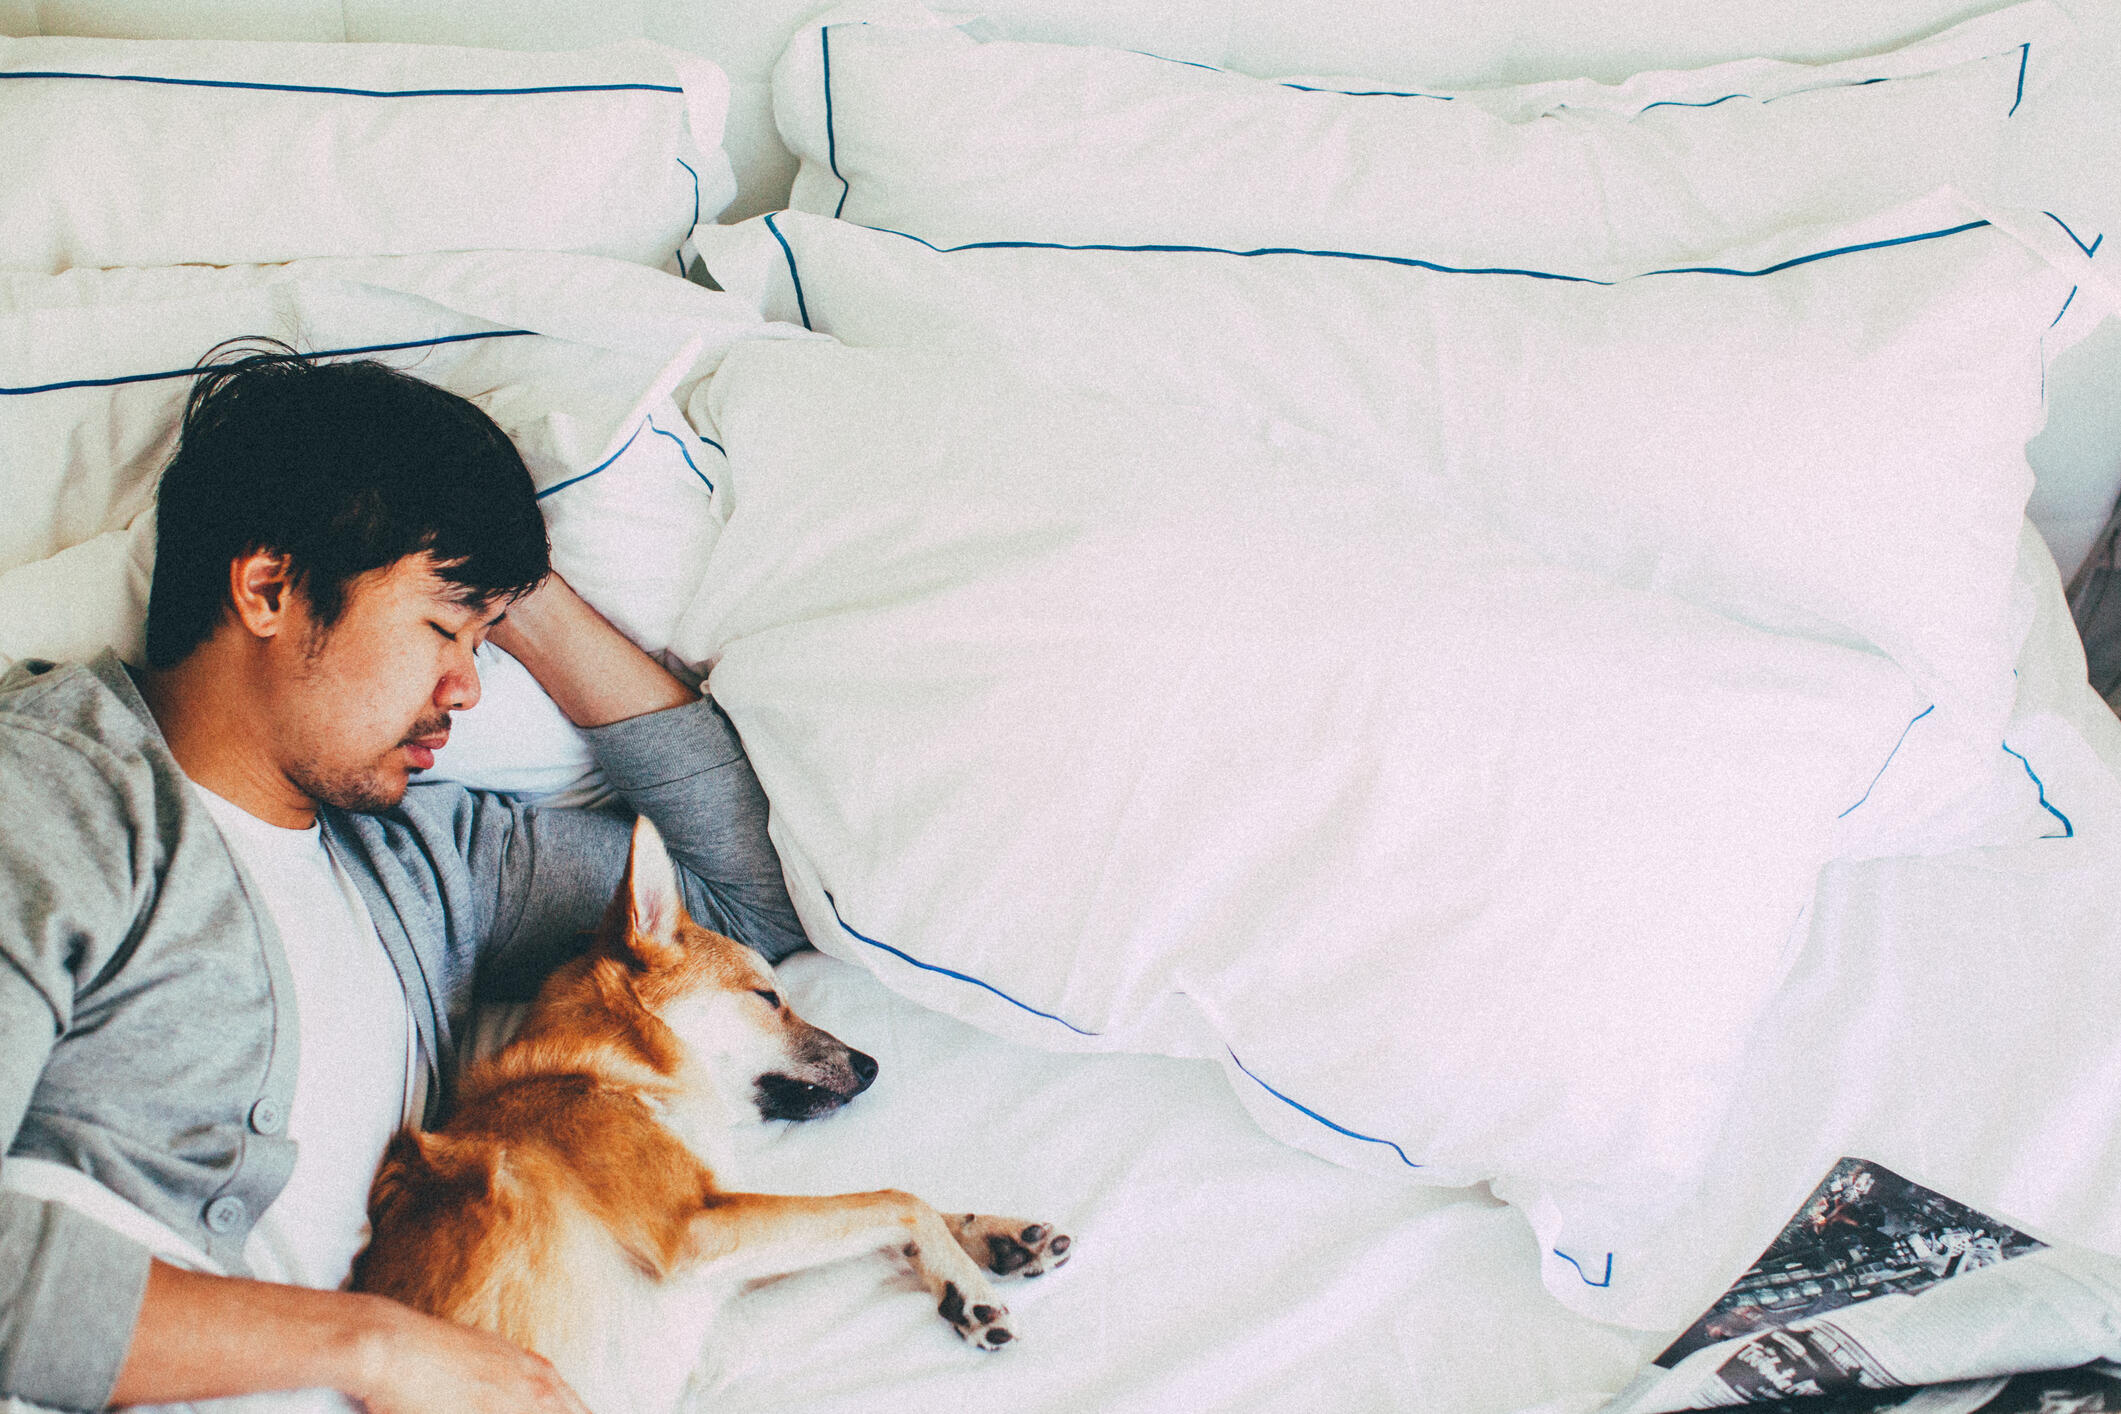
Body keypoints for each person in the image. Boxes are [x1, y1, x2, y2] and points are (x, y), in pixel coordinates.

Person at [0, 345, 809, 1412]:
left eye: (485, 639)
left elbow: (746, 905)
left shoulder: (427, 863)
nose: (470, 686)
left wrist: (521, 590)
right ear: (269, 586)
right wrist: (373, 1346)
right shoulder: (52, 797)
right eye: (441, 626)